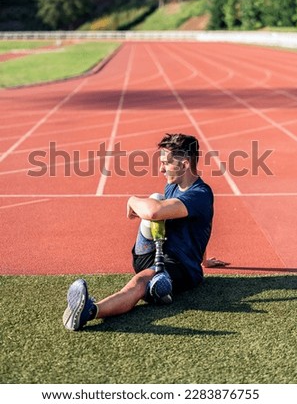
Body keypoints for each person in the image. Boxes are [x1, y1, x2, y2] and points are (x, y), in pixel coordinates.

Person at [63, 133, 214, 331]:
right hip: (154, 253)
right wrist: (205, 260)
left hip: (180, 267)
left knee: (140, 281)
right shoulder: (172, 187)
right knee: (156, 197)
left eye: (166, 163)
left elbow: (153, 212)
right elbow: (198, 228)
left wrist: (131, 200)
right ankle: (157, 289)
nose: (160, 168)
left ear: (185, 164)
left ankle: (89, 311)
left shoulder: (201, 194)